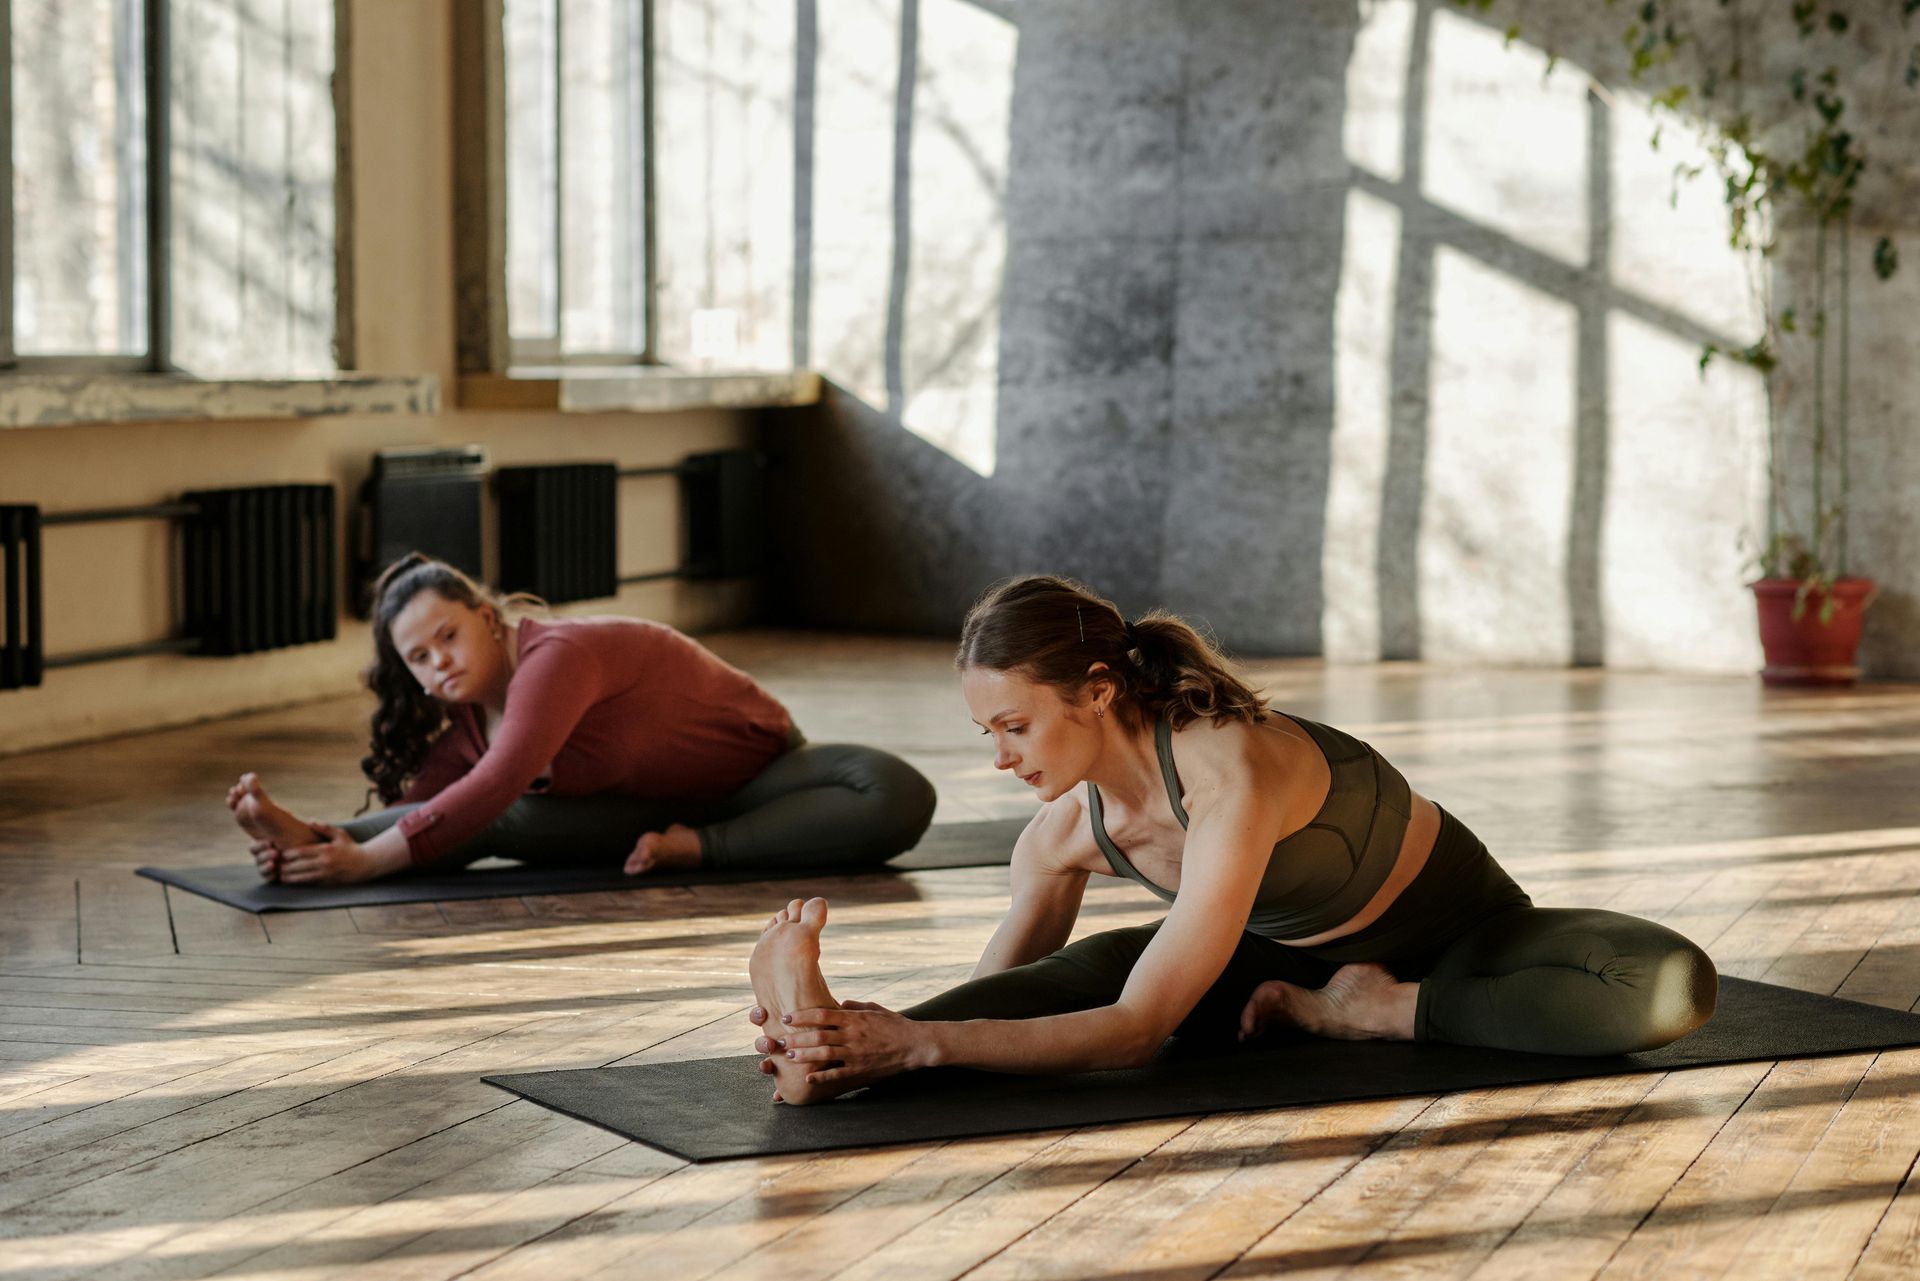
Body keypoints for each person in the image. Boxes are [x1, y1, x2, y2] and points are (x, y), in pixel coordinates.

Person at [743, 575, 1718, 1104]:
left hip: (1467, 941)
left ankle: (1370, 1012)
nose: (999, 757)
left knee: (1662, 984)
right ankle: (815, 1051)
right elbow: (1004, 997)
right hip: (1258, 969)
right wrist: (885, 1039)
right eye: (984, 732)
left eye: (1015, 726)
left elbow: (1132, 1039)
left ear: (1097, 691)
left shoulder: (1228, 772)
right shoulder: (1057, 840)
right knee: (1027, 1006)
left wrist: (920, 1043)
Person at [226, 553, 936, 884]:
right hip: (634, 818)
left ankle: (701, 847)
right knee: (479, 815)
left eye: (448, 635)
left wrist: (360, 864)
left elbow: (500, 779)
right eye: (418, 656)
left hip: (762, 780)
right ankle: (306, 847)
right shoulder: (468, 719)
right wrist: (323, 844)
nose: (439, 660)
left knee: (896, 790)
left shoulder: (556, 655)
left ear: (486, 617)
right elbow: (433, 811)